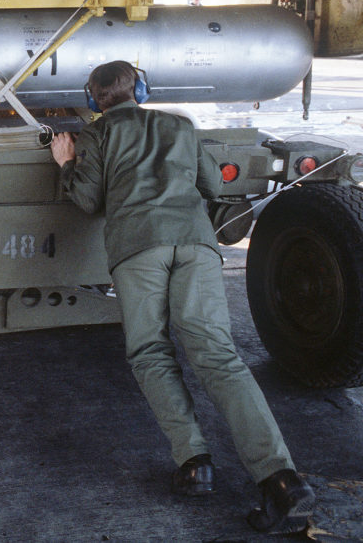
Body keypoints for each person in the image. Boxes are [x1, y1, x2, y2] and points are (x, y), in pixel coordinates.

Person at [49, 60, 315, 534]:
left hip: (138, 250)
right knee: (220, 358)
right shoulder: (179, 126)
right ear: (141, 90)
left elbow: (88, 201)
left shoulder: (95, 134)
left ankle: (195, 463)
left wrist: (67, 162)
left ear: (93, 100)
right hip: (195, 245)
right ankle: (281, 480)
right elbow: (213, 185)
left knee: (151, 352)